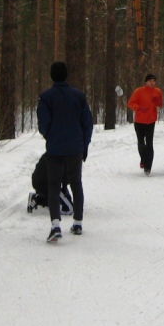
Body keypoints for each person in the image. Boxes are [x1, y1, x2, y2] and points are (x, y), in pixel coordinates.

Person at [37, 61, 94, 243]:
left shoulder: (46, 97)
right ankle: (77, 222)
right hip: (75, 147)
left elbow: (43, 124)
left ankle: (55, 226)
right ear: (66, 75)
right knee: (76, 183)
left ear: (52, 76)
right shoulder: (78, 96)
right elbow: (87, 123)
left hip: (55, 149)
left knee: (54, 186)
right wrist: (84, 145)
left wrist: (51, 137)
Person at [126, 73, 164, 175]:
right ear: (146, 82)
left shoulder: (157, 91)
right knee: (141, 142)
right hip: (139, 121)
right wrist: (138, 108)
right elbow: (130, 103)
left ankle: (148, 167)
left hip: (151, 121)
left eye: (154, 81)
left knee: (150, 143)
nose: (152, 83)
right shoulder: (139, 91)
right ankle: (143, 159)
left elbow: (160, 104)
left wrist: (158, 102)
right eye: (150, 81)